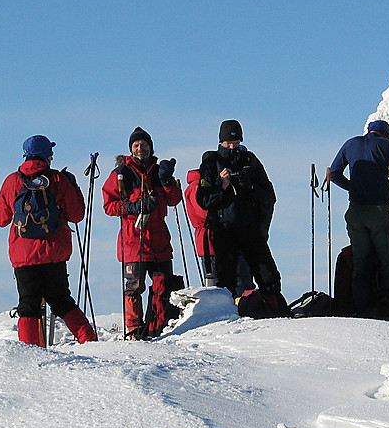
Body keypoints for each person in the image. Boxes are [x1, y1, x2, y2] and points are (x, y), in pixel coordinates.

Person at [0, 135, 97, 347]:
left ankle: (31, 350)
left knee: (28, 305)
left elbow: (0, 219)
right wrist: (74, 188)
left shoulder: (12, 181)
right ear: (48, 155)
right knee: (61, 300)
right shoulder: (58, 179)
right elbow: (76, 215)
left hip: (23, 254)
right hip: (54, 251)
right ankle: (89, 340)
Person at [195, 120, 288, 315]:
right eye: (228, 143)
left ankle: (277, 312)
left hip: (250, 228)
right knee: (226, 279)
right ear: (220, 142)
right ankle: (225, 317)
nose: (232, 146)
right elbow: (203, 200)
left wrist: (250, 187)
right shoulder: (211, 162)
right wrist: (222, 186)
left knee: (267, 274)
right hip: (224, 229)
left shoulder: (249, 160)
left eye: (236, 142)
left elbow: (270, 196)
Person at [102, 127, 183, 340]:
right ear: (131, 149)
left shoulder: (159, 170)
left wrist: (167, 180)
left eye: (144, 144)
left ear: (150, 146)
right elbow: (108, 205)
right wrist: (131, 207)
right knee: (133, 290)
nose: (140, 148)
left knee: (163, 289)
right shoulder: (121, 173)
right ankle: (134, 331)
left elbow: (174, 200)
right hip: (133, 243)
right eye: (136, 145)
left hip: (159, 243)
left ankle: (158, 327)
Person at [329, 120, 389, 317]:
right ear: (386, 134)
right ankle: (387, 309)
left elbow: (335, 174)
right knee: (388, 261)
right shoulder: (387, 145)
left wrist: (354, 187)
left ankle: (360, 310)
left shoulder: (350, 144)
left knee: (360, 264)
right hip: (379, 210)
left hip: (356, 210)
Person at [184, 168, 254, 294]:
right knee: (220, 284)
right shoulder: (197, 186)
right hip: (210, 242)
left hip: (219, 240)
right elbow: (203, 211)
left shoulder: (199, 185)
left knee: (232, 282)